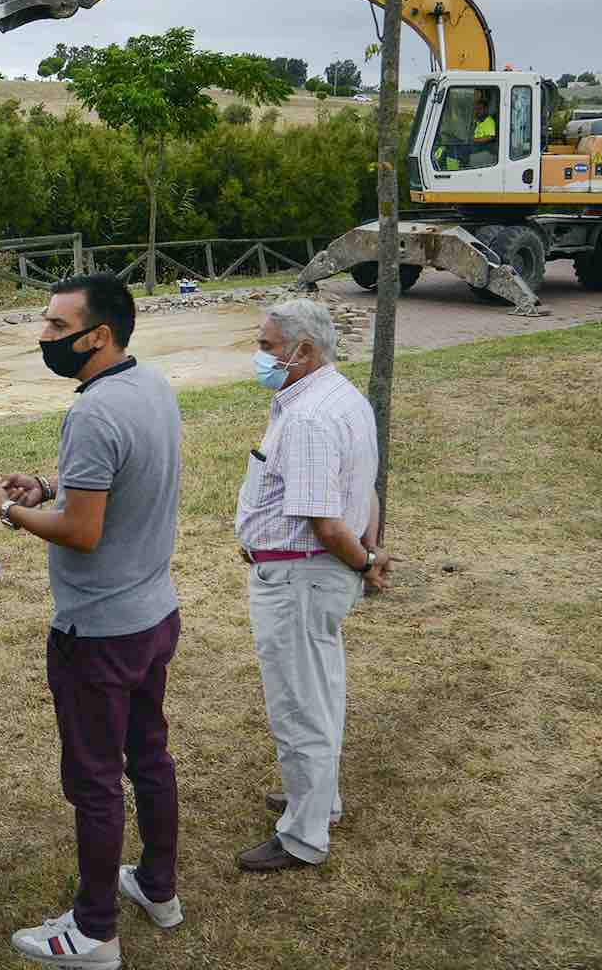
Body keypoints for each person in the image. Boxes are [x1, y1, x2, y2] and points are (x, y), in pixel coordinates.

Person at [0, 273, 185, 968]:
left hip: (98, 632)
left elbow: (82, 533)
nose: (42, 336)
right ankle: (157, 886)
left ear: (98, 335)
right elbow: (111, 482)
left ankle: (93, 930)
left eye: (55, 327)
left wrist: (7, 511)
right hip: (153, 613)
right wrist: (50, 486)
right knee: (148, 755)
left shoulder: (92, 413)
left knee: (94, 778)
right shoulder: (148, 387)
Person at [232, 298, 396, 874]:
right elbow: (366, 487)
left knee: (300, 704)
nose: (259, 356)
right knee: (320, 693)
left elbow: (324, 521)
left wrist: (363, 557)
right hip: (312, 574)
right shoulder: (344, 398)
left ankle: (303, 834)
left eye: (266, 346)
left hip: (298, 577)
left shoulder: (306, 419)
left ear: (302, 351)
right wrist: (368, 551)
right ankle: (318, 798)